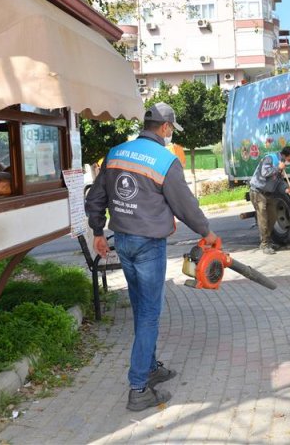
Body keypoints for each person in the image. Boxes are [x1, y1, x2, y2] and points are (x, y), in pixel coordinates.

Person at [85, 102, 219, 412]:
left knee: (141, 308)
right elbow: (185, 206)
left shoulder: (115, 153)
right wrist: (207, 232)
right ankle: (138, 388)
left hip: (124, 242)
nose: (171, 133)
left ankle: (150, 367)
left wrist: (97, 231)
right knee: (149, 315)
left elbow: (96, 198)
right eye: (171, 129)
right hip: (148, 247)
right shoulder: (165, 161)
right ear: (165, 128)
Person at [249, 146, 290, 254]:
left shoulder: (281, 165)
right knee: (263, 218)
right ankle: (264, 244)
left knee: (273, 217)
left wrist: (287, 189)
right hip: (258, 192)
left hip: (269, 194)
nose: (289, 162)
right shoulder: (270, 159)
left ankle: (268, 241)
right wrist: (278, 168)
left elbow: (279, 182)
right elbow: (264, 173)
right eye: (289, 160)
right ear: (284, 155)